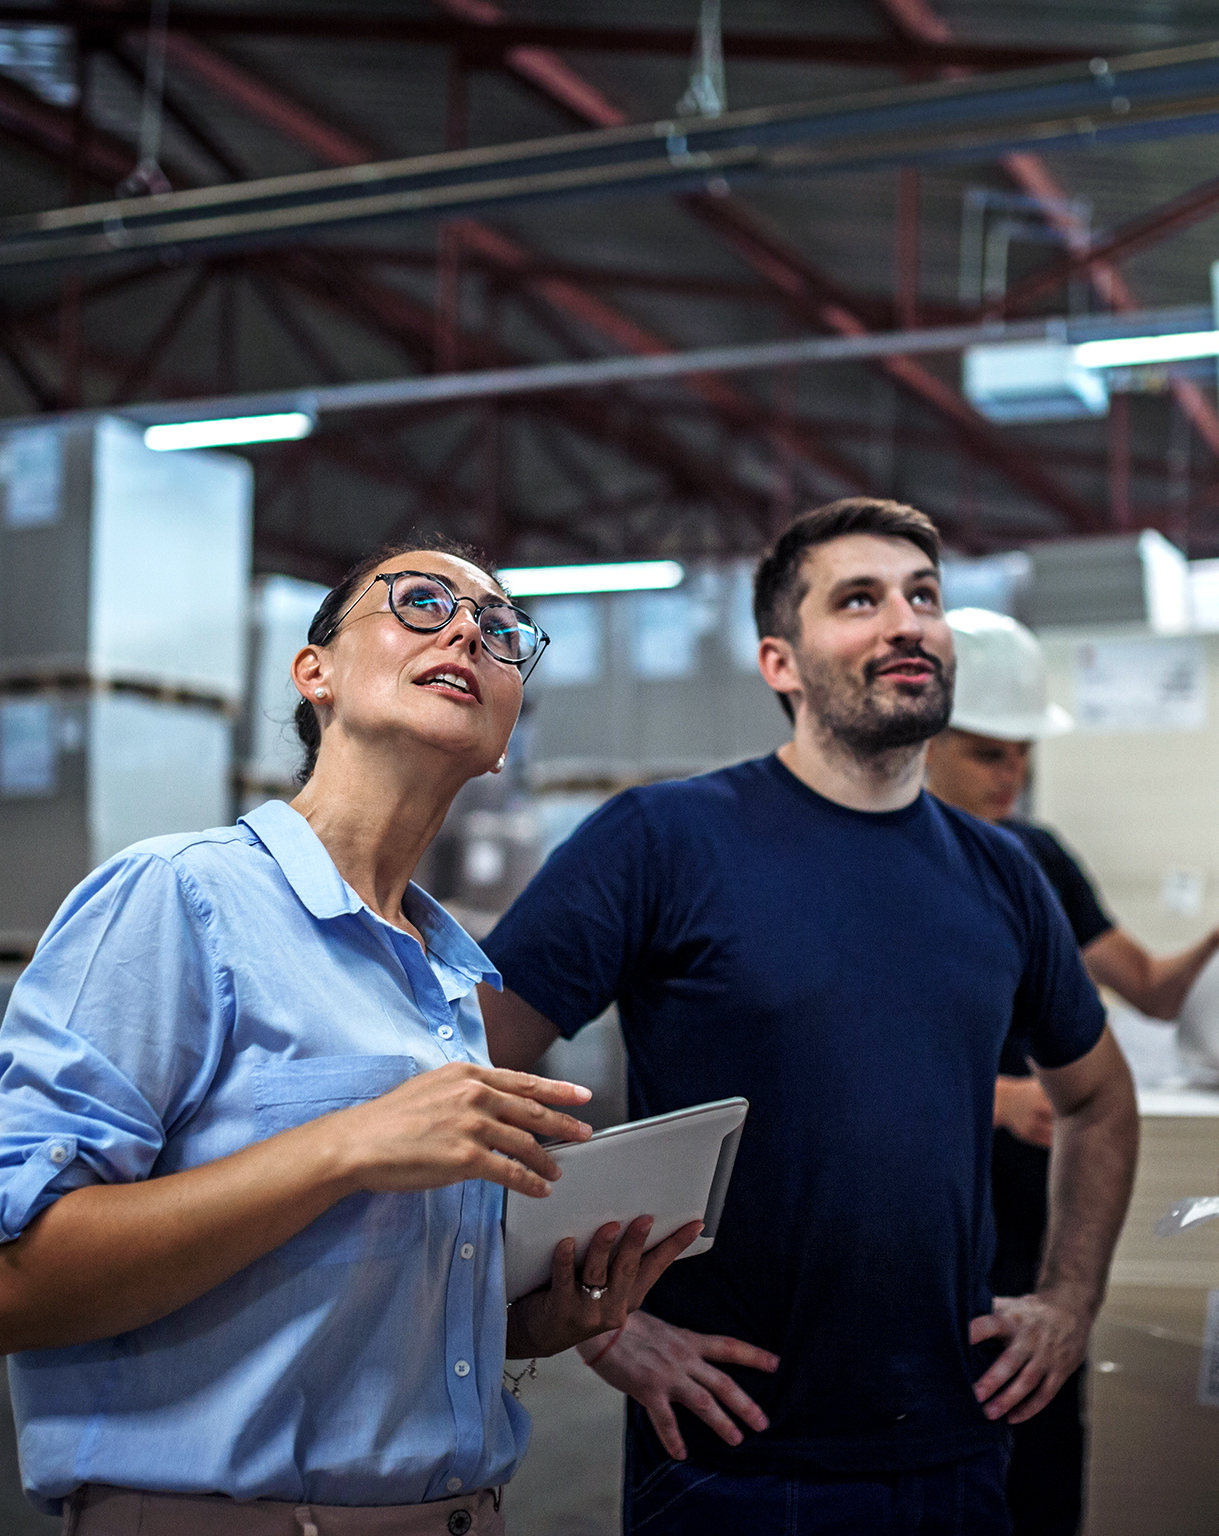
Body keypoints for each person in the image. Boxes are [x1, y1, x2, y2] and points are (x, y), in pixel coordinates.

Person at [0, 536, 699, 1536]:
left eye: (503, 631)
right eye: (422, 603)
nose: (470, 629)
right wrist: (346, 1145)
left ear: (507, 735)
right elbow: (4, 1286)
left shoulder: (453, 980)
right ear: (317, 674)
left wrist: (527, 1324)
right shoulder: (179, 900)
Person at [479, 500, 1141, 1536]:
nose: (907, 622)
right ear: (780, 662)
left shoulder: (1005, 875)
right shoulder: (662, 842)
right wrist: (603, 1330)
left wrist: (1069, 1300)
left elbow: (1098, 1098)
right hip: (731, 1454)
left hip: (957, 1448)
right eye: (860, 600)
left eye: (924, 597)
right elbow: (467, 1069)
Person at [923, 606, 1219, 1536]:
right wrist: (996, 1097)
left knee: (1039, 1461)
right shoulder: (869, 868)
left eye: (1022, 754)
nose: (1011, 775)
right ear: (925, 734)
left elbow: (1148, 986)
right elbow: (823, 1068)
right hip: (921, 1216)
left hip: (1025, 1211)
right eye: (988, 753)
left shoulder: (1035, 854)